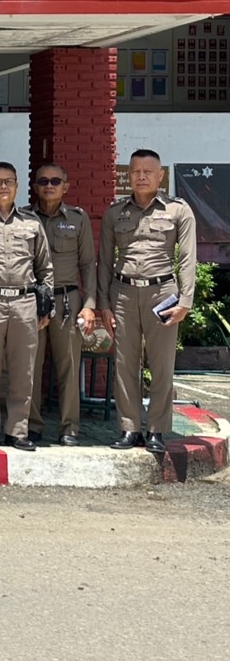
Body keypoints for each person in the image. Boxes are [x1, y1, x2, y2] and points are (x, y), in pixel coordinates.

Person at [99, 149, 196, 454]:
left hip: (162, 293)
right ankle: (130, 428)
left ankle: (156, 429)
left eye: (148, 172)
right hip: (123, 292)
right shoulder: (115, 212)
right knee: (125, 363)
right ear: (128, 175)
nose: (141, 177)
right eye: (135, 171)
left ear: (160, 176)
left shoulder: (178, 210)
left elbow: (188, 258)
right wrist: (103, 303)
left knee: (162, 364)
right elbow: (104, 261)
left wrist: (186, 300)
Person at [0, 162, 52, 451]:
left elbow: (45, 268)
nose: (3, 186)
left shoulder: (31, 222)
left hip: (24, 302)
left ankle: (18, 430)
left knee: (23, 371)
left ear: (17, 186)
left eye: (8, 181)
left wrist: (46, 306)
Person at [29, 163, 98, 446]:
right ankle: (31, 426)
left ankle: (69, 427)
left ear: (65, 186)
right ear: (35, 186)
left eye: (55, 181)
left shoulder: (78, 219)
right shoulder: (25, 219)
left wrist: (89, 304)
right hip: (32, 300)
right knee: (30, 366)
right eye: (43, 181)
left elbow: (88, 265)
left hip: (67, 299)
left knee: (68, 366)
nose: (49, 185)